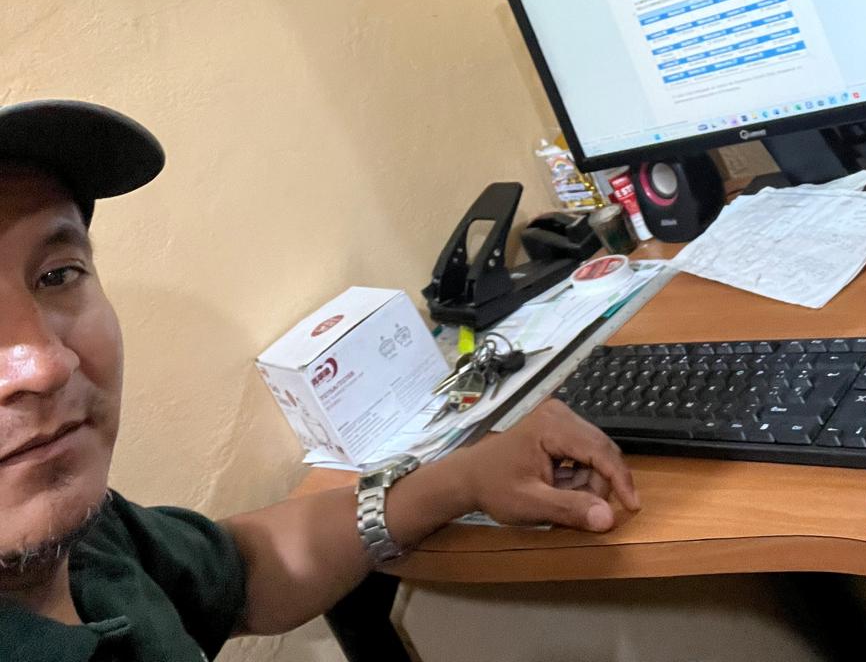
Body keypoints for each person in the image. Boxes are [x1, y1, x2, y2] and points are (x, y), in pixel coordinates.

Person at [0, 99, 638, 659]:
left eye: (57, 274)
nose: (46, 365)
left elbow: (243, 572)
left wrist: (461, 478)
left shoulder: (92, 539)